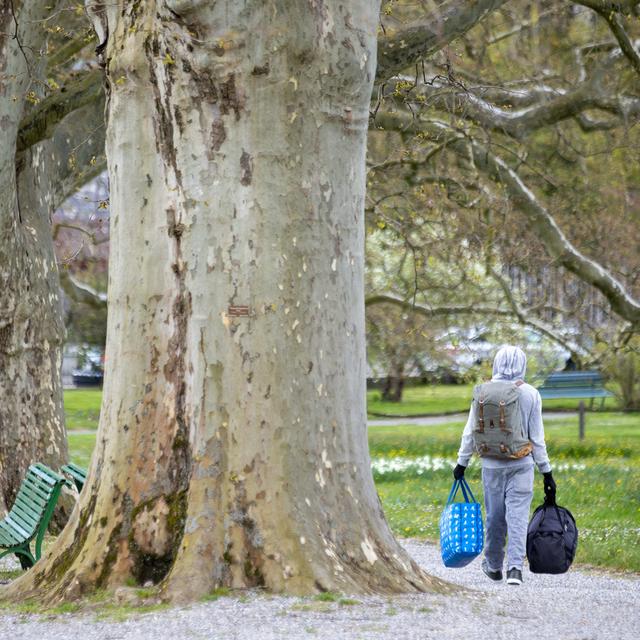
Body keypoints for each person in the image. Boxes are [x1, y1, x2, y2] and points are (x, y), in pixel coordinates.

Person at [453, 345, 556, 585]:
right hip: (522, 463)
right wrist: (546, 471)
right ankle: (515, 570)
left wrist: (462, 462)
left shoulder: (482, 392)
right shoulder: (531, 393)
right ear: (523, 365)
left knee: (495, 516)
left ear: (496, 364)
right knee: (518, 517)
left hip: (491, 464)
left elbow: (469, 432)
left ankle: (493, 566)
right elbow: (537, 438)